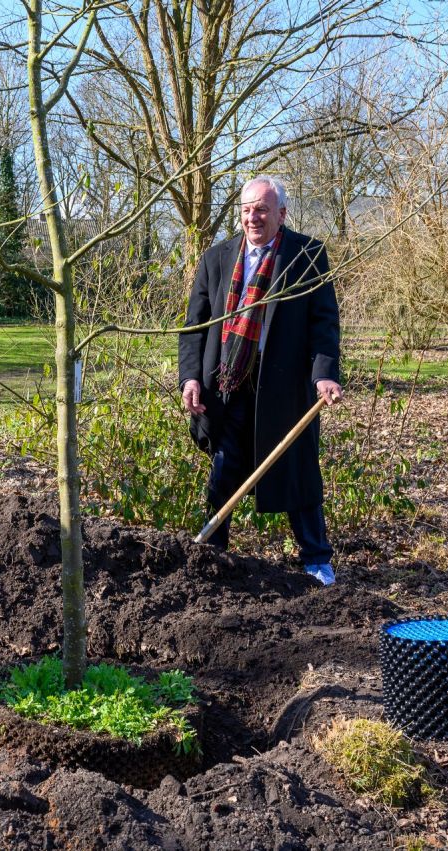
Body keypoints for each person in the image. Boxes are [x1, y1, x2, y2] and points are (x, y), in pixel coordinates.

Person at [178, 175, 343, 585]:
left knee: (297, 472)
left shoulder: (305, 256)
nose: (253, 217)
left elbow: (324, 324)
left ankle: (317, 561)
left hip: (284, 389)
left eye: (262, 209)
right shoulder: (216, 258)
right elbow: (194, 327)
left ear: (282, 214)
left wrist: (323, 376)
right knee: (223, 471)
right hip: (226, 386)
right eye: (247, 209)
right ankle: (212, 557)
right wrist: (191, 379)